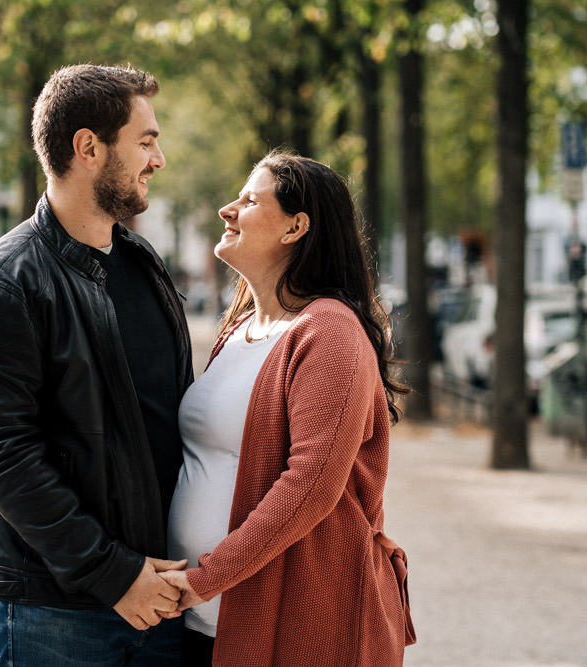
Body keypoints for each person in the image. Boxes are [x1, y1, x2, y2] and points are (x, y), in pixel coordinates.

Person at [0, 64, 194, 667]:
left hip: (164, 607)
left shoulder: (143, 266)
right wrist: (114, 575)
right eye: (145, 140)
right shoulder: (2, 285)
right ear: (88, 147)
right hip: (53, 618)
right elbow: (1, 457)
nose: (158, 158)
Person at [163, 150, 417, 666]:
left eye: (250, 199)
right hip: (205, 620)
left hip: (298, 624)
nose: (227, 210)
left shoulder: (329, 332)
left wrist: (206, 577)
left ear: (295, 227)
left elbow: (311, 486)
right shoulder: (237, 330)